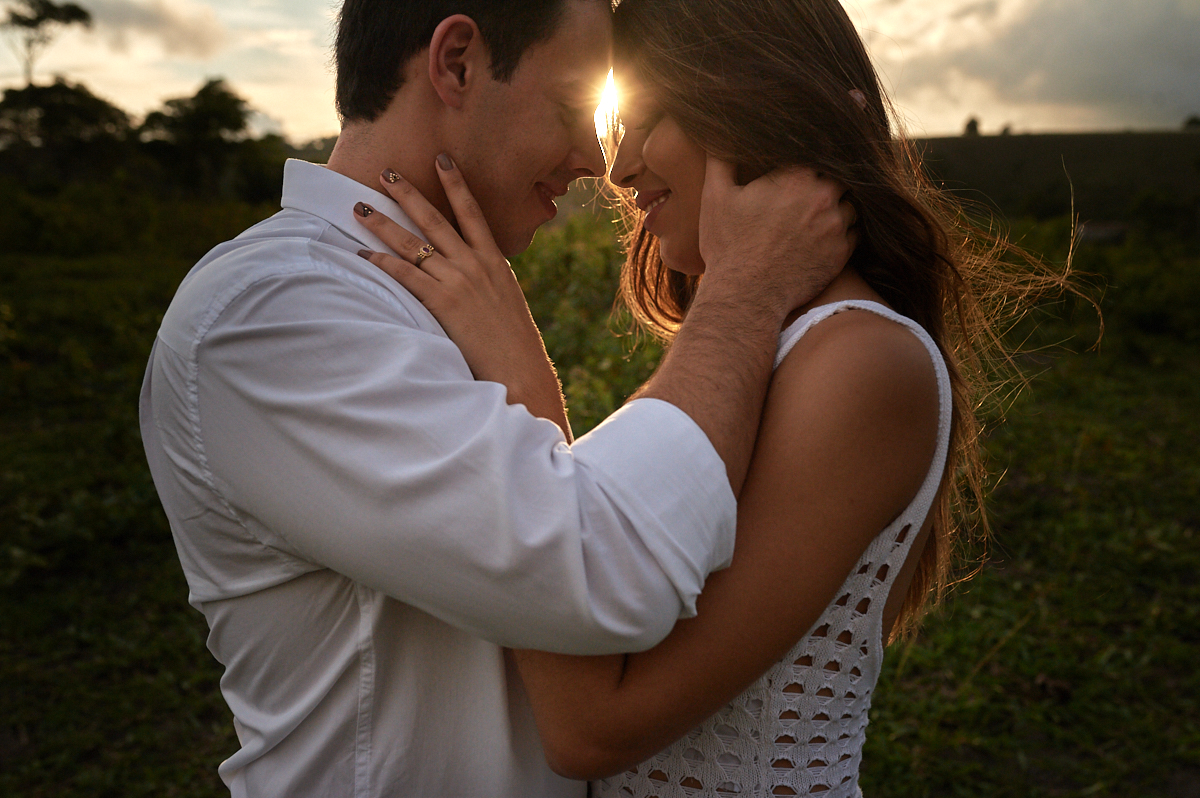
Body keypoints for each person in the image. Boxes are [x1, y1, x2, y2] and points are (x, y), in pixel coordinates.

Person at [138, 0, 856, 795]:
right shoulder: (272, 312)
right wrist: (748, 286)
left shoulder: (430, 293)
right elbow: (605, 570)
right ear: (455, 64)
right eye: (573, 105)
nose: (598, 156)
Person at [355, 0, 1071, 795]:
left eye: (651, 116)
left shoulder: (861, 361)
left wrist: (518, 379)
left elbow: (591, 728)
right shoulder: (771, 350)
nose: (619, 167)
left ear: (760, 106)